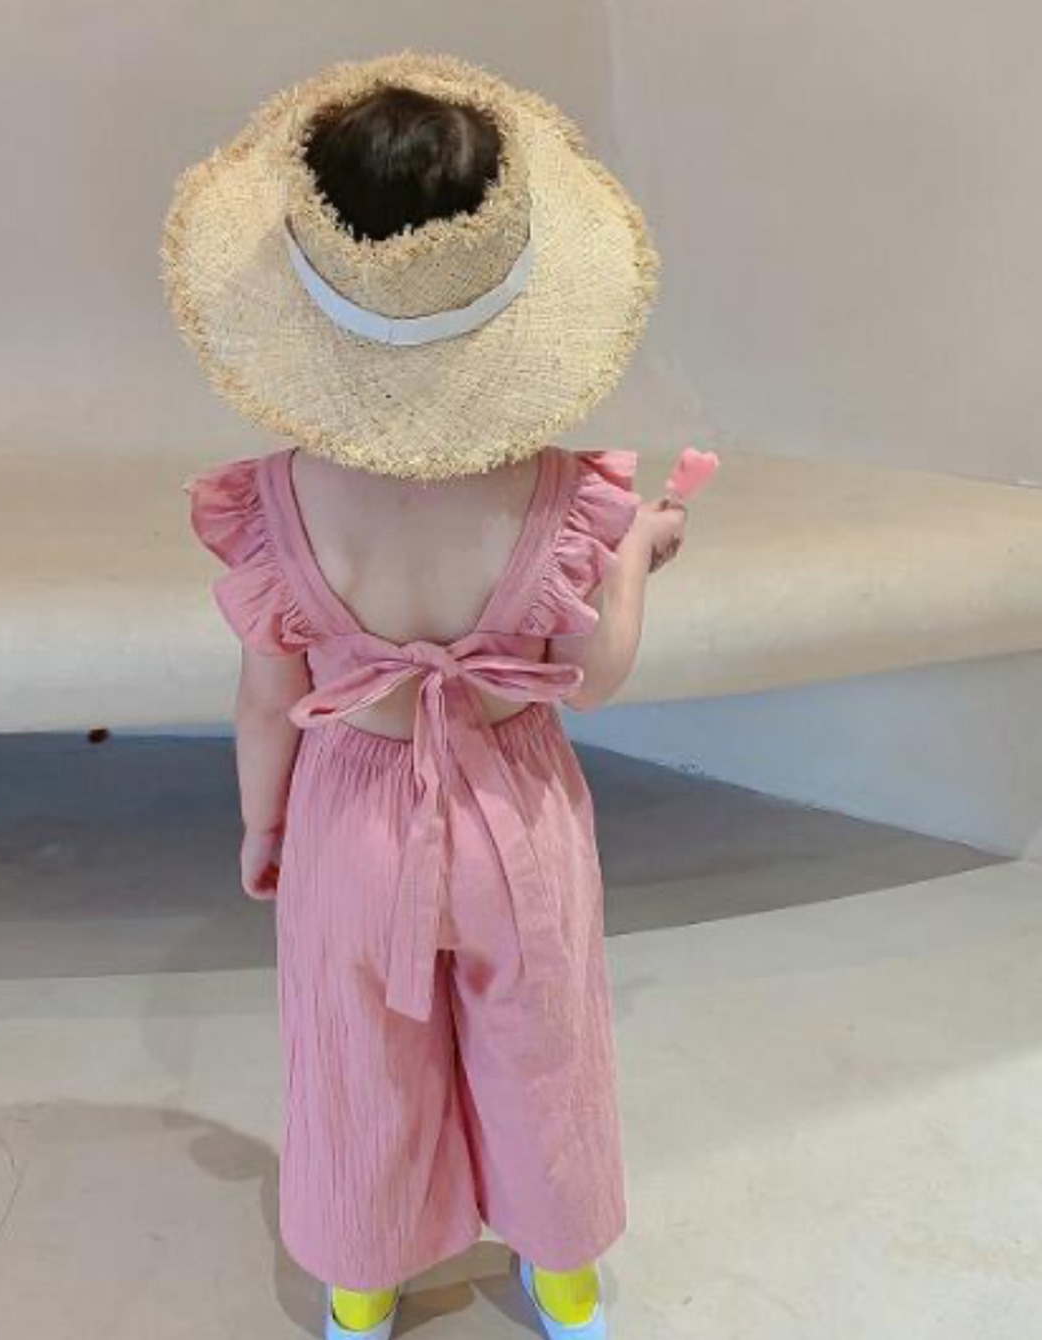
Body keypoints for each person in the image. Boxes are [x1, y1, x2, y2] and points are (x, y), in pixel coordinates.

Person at [164, 51, 687, 1340]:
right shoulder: (563, 494)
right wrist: (630, 555)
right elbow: (594, 681)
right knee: (544, 1042)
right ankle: (563, 1275)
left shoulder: (282, 501)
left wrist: (265, 825)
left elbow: (265, 700)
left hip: (349, 812)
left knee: (356, 1053)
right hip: (517, 809)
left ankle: (361, 1281)